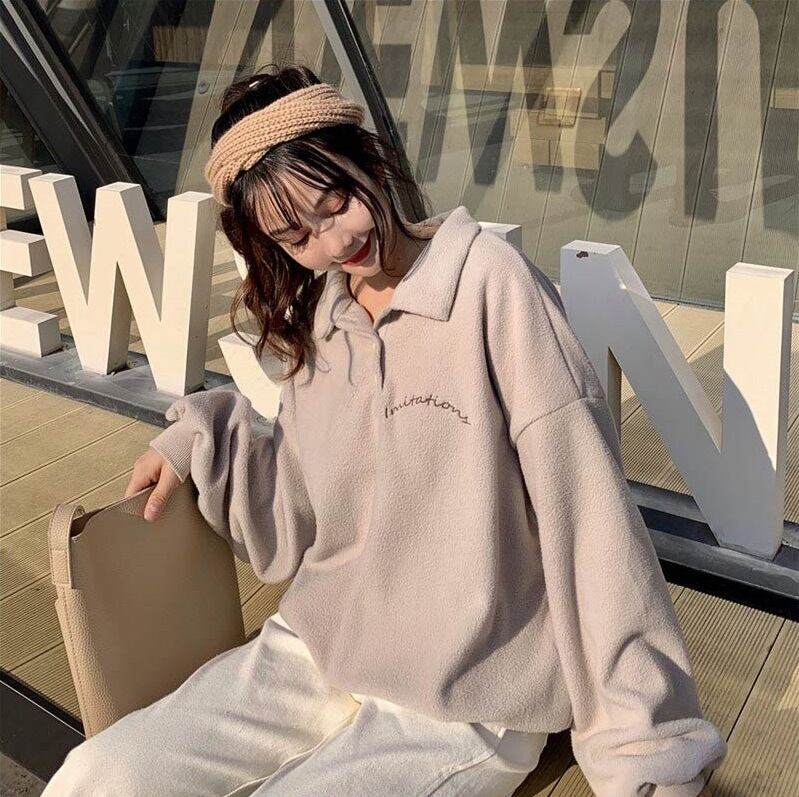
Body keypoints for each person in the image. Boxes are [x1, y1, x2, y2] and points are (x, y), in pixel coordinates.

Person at [43, 63, 726, 796]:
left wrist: (642, 742)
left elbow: (589, 516)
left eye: (334, 202)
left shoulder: (491, 285)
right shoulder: (324, 316)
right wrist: (200, 438)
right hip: (321, 643)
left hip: (464, 689)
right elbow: (297, 502)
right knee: (99, 773)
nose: (333, 242)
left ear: (366, 158)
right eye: (295, 236)